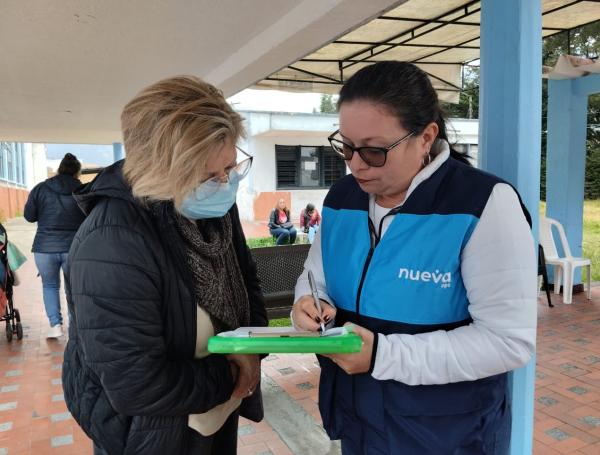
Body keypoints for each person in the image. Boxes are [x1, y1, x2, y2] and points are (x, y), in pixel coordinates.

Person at [291, 61, 537, 454]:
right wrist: (307, 303)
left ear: (425, 137)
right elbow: (315, 277)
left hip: (447, 433)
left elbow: (506, 341)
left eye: (373, 150)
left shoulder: (483, 203)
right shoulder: (342, 199)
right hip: (358, 420)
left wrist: (382, 356)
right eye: (346, 146)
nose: (355, 164)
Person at [62, 76, 267, 455]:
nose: (225, 183)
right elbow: (137, 383)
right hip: (154, 433)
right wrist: (232, 374)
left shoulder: (212, 207)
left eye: (231, 167)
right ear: (163, 169)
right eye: (209, 175)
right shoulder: (112, 241)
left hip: (214, 413)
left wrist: (253, 349)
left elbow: (247, 282)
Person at [24, 153, 85, 338]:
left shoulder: (40, 188)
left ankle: (55, 326)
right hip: (73, 247)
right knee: (74, 287)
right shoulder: (82, 190)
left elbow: (29, 216)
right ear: (77, 172)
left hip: (44, 248)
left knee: (50, 286)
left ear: (60, 169)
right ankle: (74, 326)